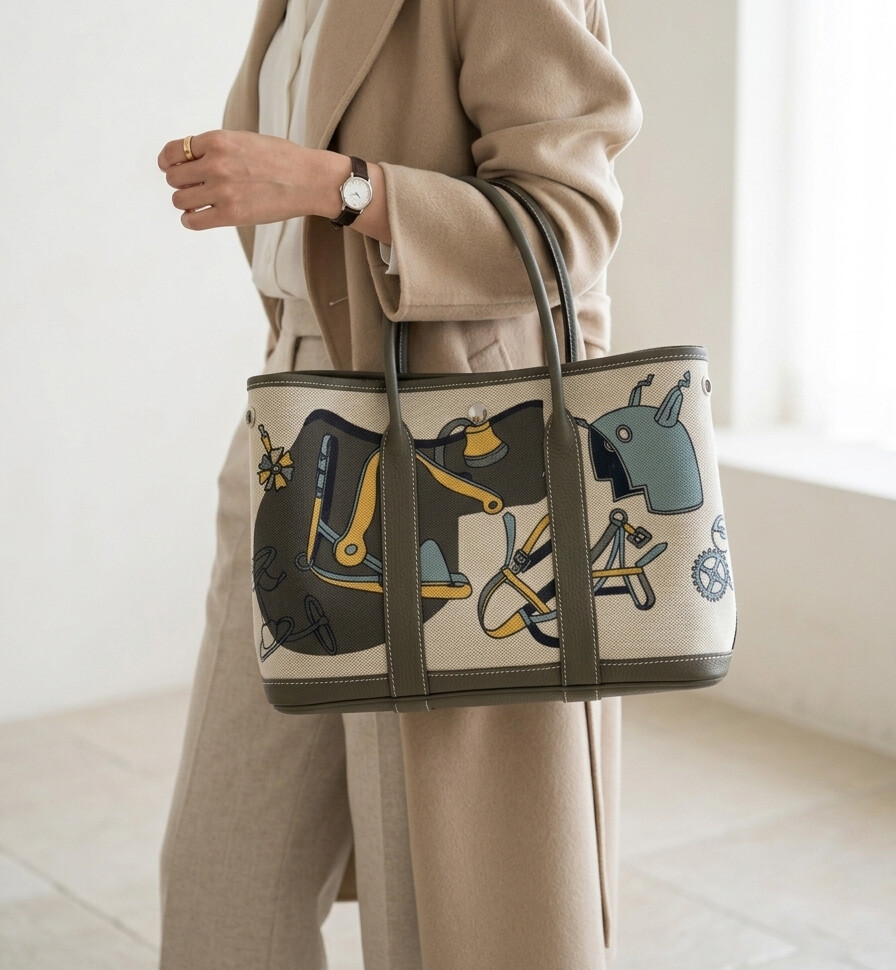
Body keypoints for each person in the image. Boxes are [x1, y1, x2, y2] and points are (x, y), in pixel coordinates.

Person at [156, 0, 641, 967]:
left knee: (432, 893)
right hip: (293, 422)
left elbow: (568, 222)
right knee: (223, 874)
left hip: (450, 448)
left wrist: (334, 185)